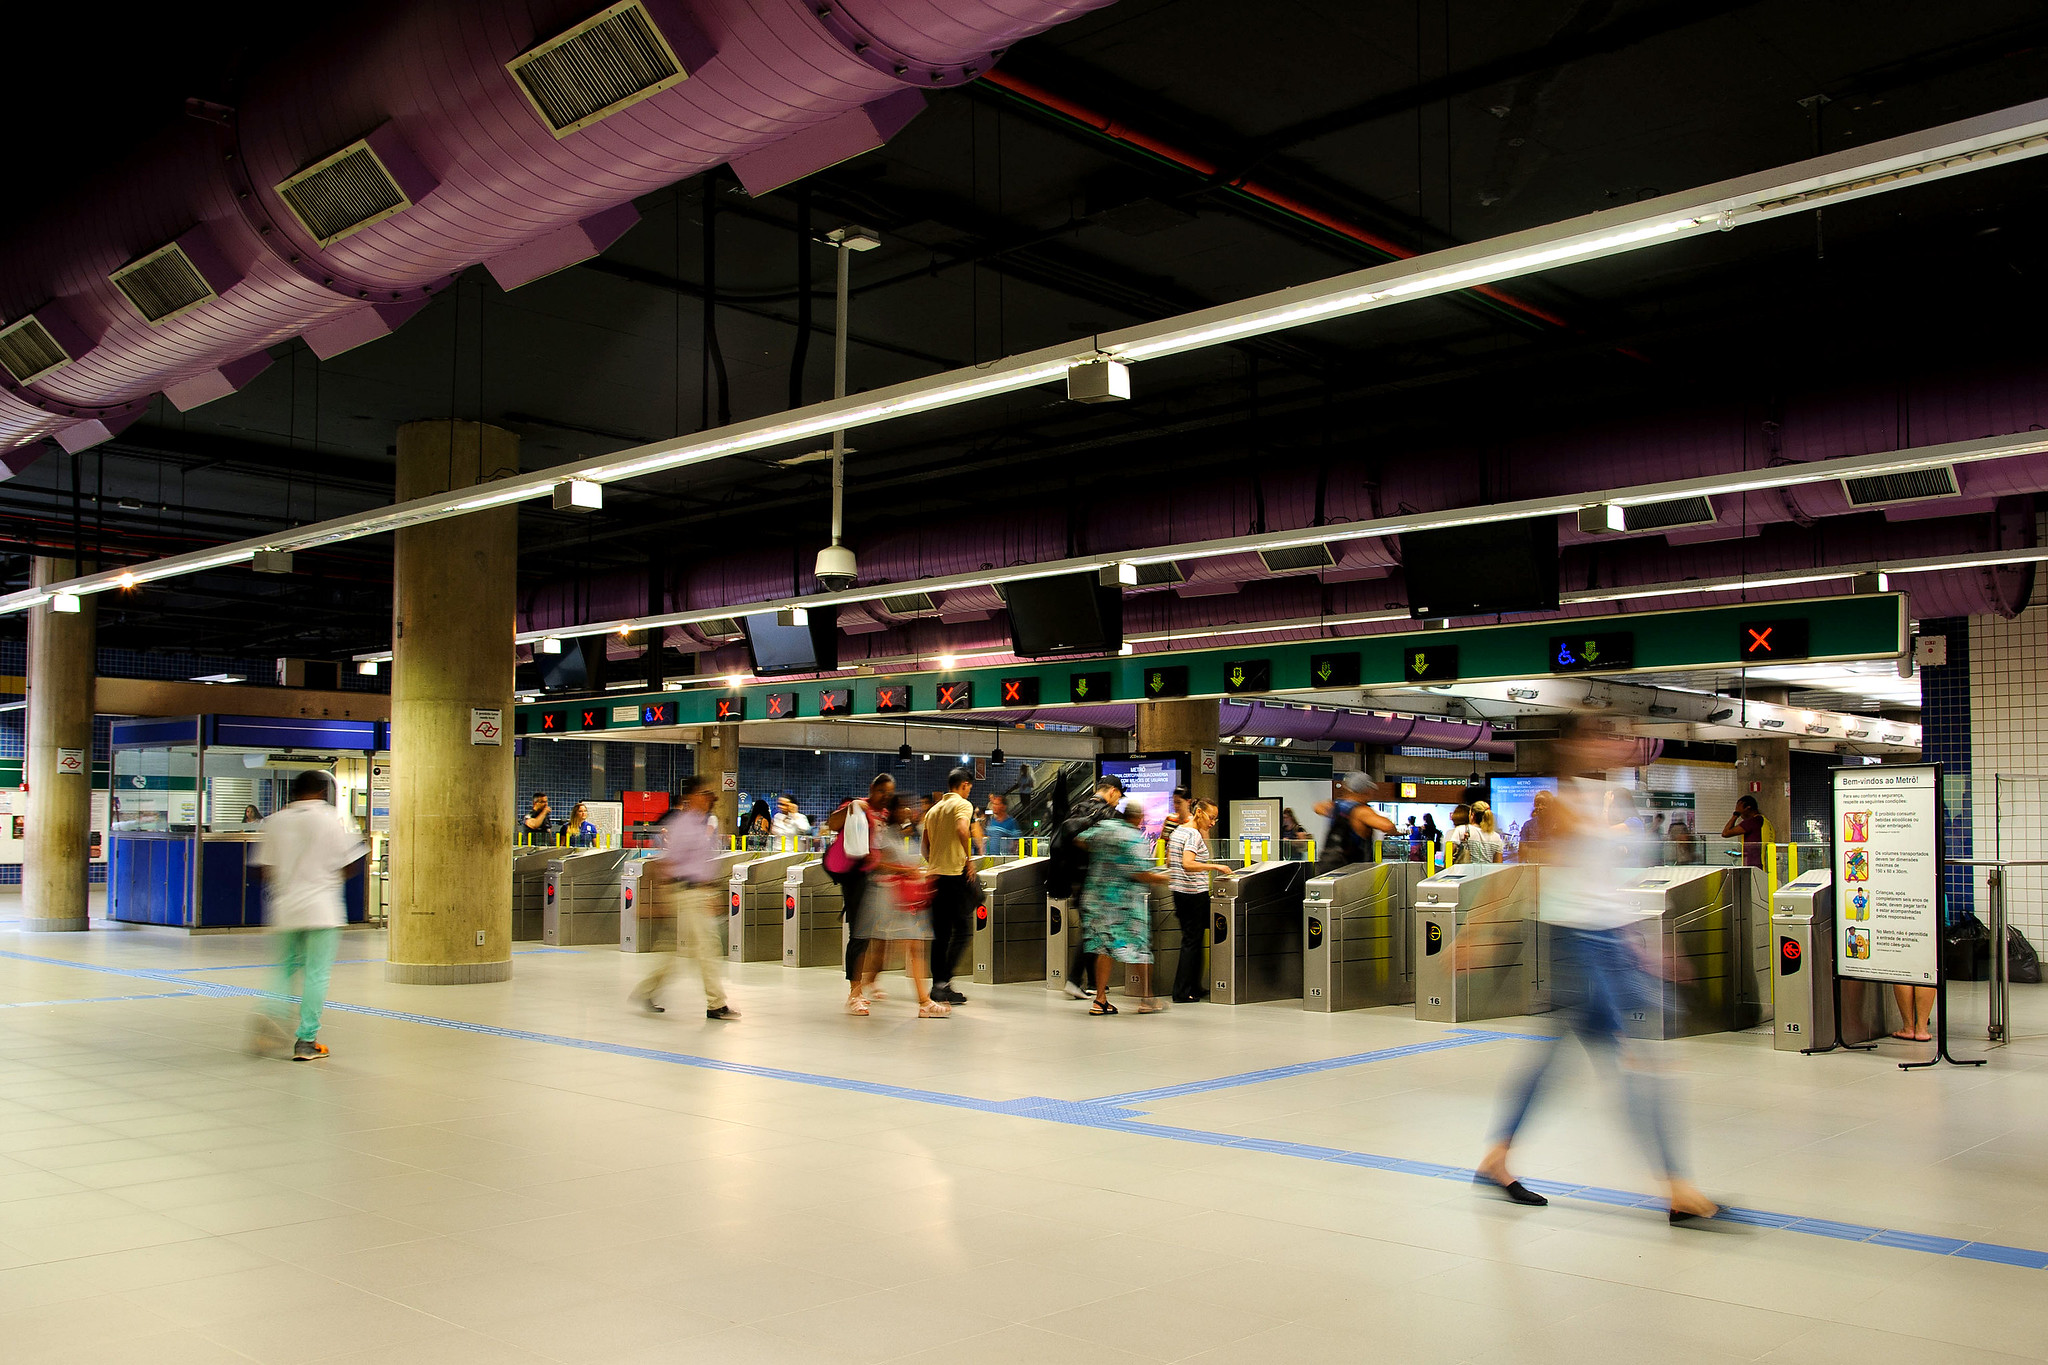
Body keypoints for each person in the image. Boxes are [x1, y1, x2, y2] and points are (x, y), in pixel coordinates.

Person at [1472, 723, 1720, 1223]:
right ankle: (1678, 1188)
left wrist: (1649, 944)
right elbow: (1522, 869)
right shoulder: (1561, 806)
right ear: (1574, 744)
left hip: (1609, 943)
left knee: (1556, 1060)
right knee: (1636, 1058)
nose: (1616, 743)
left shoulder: (1598, 797)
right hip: (1579, 946)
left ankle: (1497, 1157)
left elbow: (1605, 883)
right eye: (1602, 735)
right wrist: (1478, 931)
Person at [246, 770, 366, 1062]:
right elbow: (350, 864)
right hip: (322, 909)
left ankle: (272, 1013)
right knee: (316, 974)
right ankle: (306, 1040)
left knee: (284, 969)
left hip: (286, 908)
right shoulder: (331, 819)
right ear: (322, 792)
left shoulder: (276, 821)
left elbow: (264, 870)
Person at [631, 776, 739, 1021]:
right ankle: (716, 1004)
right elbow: (666, 863)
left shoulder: (705, 824)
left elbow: (703, 863)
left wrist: (711, 891)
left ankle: (647, 991)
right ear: (691, 797)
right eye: (704, 793)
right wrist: (657, 900)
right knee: (707, 946)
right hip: (685, 892)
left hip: (699, 892)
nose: (709, 798)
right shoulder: (682, 825)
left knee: (679, 949)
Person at [851, 794, 949, 1018]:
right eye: (904, 807)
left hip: (901, 899)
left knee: (909, 946)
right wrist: (905, 870)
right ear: (892, 810)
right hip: (885, 898)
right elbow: (875, 863)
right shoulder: (884, 834)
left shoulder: (901, 834)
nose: (908, 811)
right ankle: (858, 991)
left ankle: (922, 1001)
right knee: (884, 948)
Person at [1081, 800, 1171, 1014]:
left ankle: (1100, 1000)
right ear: (1138, 819)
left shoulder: (1105, 827)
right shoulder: (1133, 837)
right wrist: (1165, 878)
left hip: (1097, 899)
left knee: (1105, 948)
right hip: (1125, 905)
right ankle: (1147, 999)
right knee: (1139, 948)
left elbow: (1080, 840)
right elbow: (1142, 874)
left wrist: (1102, 859)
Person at [1046, 774, 1125, 999]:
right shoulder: (1108, 814)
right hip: (1097, 881)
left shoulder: (1077, 808)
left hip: (1075, 880)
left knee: (1091, 929)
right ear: (1112, 791)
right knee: (1093, 931)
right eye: (1119, 796)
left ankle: (1092, 982)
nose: (1118, 801)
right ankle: (1074, 980)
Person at [824, 774, 892, 1009]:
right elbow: (832, 823)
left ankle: (870, 979)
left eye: (889, 793)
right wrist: (852, 807)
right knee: (859, 935)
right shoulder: (856, 806)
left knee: (880, 933)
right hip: (856, 876)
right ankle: (855, 991)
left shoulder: (885, 814)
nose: (885, 796)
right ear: (872, 788)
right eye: (882, 791)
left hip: (876, 877)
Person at [922, 767, 977, 1006]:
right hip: (954, 875)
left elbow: (924, 847)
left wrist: (935, 861)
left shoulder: (933, 810)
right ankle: (944, 980)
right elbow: (962, 829)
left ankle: (938, 986)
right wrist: (968, 859)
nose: (969, 791)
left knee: (940, 934)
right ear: (964, 785)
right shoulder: (963, 805)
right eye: (969, 787)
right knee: (963, 930)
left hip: (934, 876)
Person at [1168, 798, 1232, 1003]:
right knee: (1192, 941)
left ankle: (1193, 986)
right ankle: (1181, 991)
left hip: (1179, 893)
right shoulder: (1193, 834)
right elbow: (1188, 863)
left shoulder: (1178, 831)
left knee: (1193, 940)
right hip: (1194, 894)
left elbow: (1170, 862)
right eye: (1211, 818)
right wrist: (1215, 867)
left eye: (1215, 819)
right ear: (1199, 813)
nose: (1212, 823)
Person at [1311, 772, 1397, 874]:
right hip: (1352, 872)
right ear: (1365, 790)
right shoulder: (1361, 811)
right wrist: (1394, 830)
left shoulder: (1334, 806)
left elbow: (1317, 807)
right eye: (1371, 789)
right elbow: (1387, 826)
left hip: (1326, 870)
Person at [1721, 795, 1765, 868]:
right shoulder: (1762, 820)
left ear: (1748, 808)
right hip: (1759, 863)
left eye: (1740, 810)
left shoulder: (1752, 822)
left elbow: (1725, 833)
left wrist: (1736, 814)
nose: (1741, 815)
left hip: (1754, 866)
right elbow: (1755, 848)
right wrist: (1740, 853)